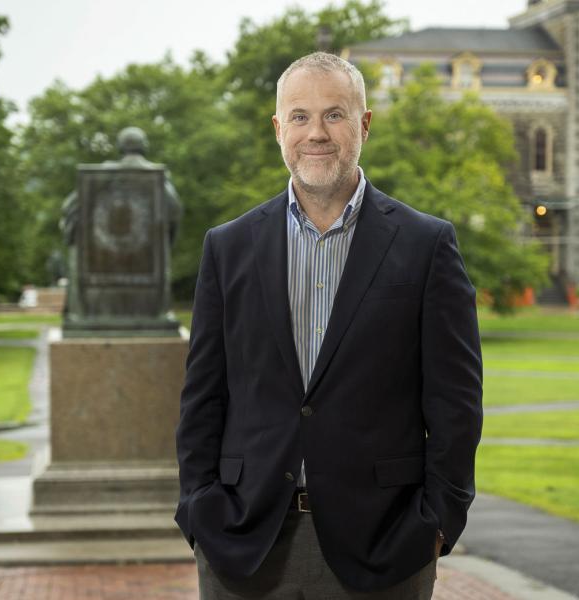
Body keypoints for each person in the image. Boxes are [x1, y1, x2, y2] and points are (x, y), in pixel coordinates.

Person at [175, 51, 483, 599]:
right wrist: (199, 508)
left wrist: (437, 521)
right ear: (278, 129)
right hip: (245, 543)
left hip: (385, 544)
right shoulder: (228, 247)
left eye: (334, 115)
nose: (316, 132)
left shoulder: (426, 245)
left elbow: (456, 404)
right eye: (299, 116)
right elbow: (203, 397)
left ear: (364, 124)